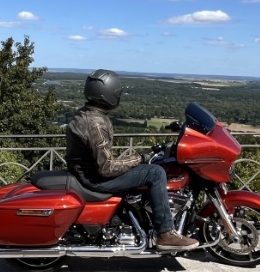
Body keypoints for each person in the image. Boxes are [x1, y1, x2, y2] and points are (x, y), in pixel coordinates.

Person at [65, 69, 199, 251]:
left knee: (148, 168)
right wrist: (141, 159)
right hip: (94, 179)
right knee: (156, 172)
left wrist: (137, 158)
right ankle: (165, 233)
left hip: (86, 173)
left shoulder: (88, 114)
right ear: (110, 93)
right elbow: (107, 168)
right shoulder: (95, 124)